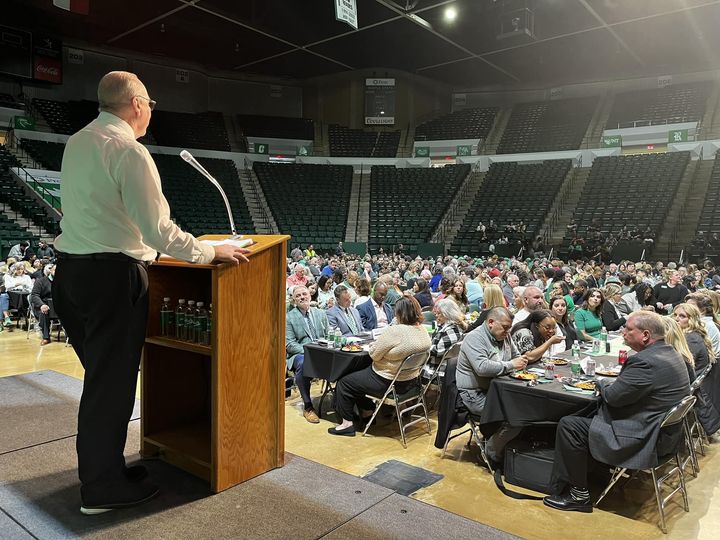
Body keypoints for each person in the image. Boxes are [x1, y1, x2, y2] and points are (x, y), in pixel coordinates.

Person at [52, 71, 250, 515]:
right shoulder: (129, 150)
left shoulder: (77, 142)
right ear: (137, 103)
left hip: (73, 276)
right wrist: (209, 251)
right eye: (151, 105)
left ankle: (107, 470)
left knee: (103, 384)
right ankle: (100, 488)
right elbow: (158, 231)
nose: (150, 113)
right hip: (111, 280)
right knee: (111, 388)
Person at [544, 312, 691, 513]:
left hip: (645, 438)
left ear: (645, 335)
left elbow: (614, 397)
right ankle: (597, 473)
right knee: (587, 414)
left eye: (628, 329)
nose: (623, 331)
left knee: (570, 425)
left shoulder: (645, 362)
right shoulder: (670, 352)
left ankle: (578, 495)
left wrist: (602, 382)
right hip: (666, 434)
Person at [329, 297, 431, 436]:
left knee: (344, 382)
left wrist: (375, 347)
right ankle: (367, 411)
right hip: (410, 382)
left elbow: (374, 355)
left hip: (386, 380)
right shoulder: (423, 330)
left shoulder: (395, 331)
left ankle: (347, 424)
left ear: (399, 313)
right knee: (358, 376)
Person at [456, 306, 530, 465]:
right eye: (505, 327)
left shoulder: (505, 336)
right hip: (475, 394)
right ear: (490, 322)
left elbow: (517, 357)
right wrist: (511, 365)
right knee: (515, 416)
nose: (508, 331)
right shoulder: (474, 338)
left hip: (499, 390)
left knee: (530, 408)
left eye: (509, 327)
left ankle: (504, 447)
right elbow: (482, 368)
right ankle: (490, 453)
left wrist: (519, 362)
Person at [673, 303, 720, 436]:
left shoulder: (690, 340)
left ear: (691, 320)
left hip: (685, 391)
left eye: (682, 316)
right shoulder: (691, 335)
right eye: (675, 315)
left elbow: (680, 369)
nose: (677, 319)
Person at [286, 285, 329, 424]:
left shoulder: (320, 313)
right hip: (300, 353)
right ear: (294, 301)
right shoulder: (289, 318)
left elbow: (328, 335)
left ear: (310, 296)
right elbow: (290, 344)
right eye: (298, 296)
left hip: (322, 350)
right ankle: (308, 406)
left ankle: (343, 402)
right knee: (304, 363)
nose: (302, 297)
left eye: (304, 294)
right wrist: (310, 351)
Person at [429, 298, 467, 363]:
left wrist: (425, 347)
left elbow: (438, 351)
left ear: (447, 314)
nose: (437, 316)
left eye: (439, 314)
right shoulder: (446, 326)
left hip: (437, 367)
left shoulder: (452, 330)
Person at [30, 263, 56, 345]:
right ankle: (46, 337)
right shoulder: (40, 281)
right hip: (44, 305)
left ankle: (71, 336)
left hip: (58, 306)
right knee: (44, 312)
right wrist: (42, 305)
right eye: (55, 270)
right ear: (51, 270)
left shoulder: (63, 281)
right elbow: (34, 295)